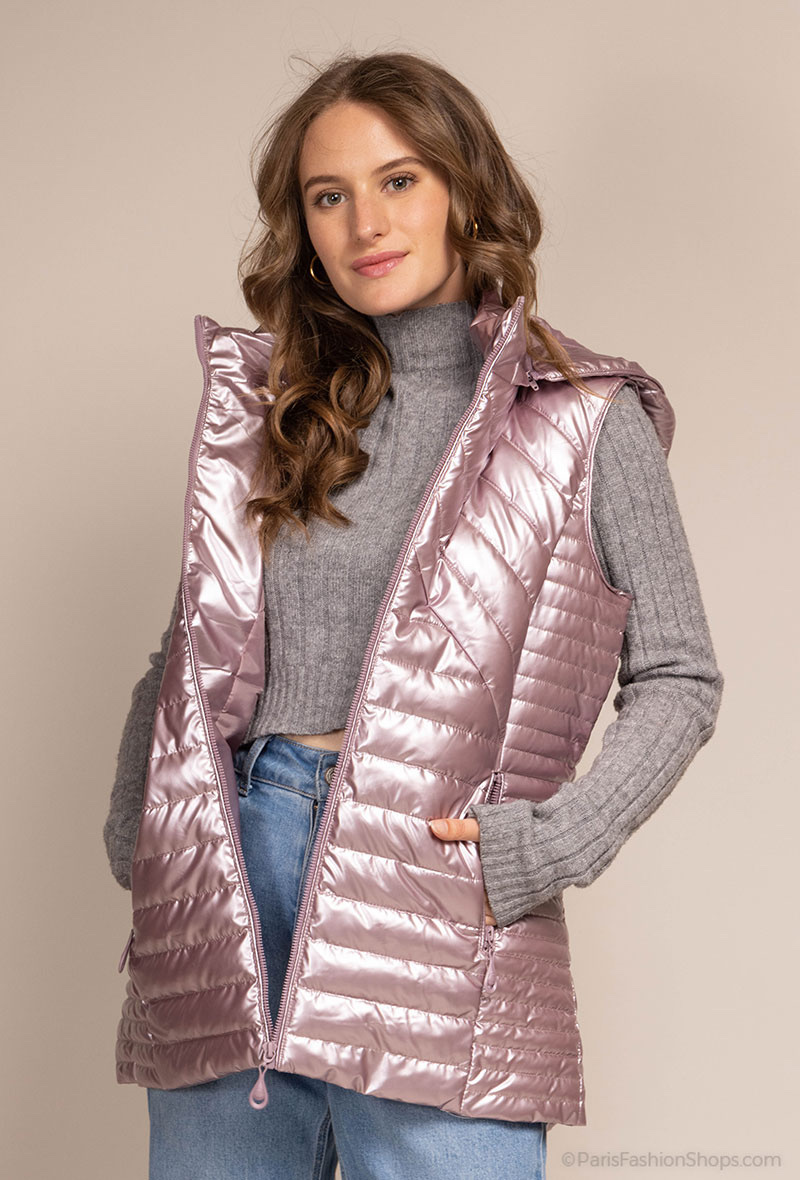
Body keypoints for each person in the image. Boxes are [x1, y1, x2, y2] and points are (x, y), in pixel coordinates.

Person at [103, 50, 723, 1180]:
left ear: (462, 189)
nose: (365, 223)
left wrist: (551, 843)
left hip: (432, 892)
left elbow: (680, 676)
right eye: (327, 195)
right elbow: (187, 648)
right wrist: (144, 831)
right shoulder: (273, 415)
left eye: (398, 181)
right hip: (234, 878)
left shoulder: (581, 416)